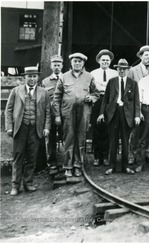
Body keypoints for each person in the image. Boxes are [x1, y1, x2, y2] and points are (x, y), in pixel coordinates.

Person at [5, 66, 51, 196]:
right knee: (18, 156)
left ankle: (28, 183)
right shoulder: (16, 91)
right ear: (25, 77)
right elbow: (8, 110)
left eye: (34, 76)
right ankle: (15, 185)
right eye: (29, 76)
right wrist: (9, 127)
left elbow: (48, 111)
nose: (32, 79)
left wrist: (47, 127)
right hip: (20, 128)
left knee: (32, 157)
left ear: (38, 77)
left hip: (35, 129)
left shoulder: (44, 92)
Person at [53, 52, 100, 177]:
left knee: (80, 138)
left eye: (80, 61)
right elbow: (57, 96)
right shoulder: (64, 77)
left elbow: (96, 93)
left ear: (83, 63)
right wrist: (57, 115)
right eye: (75, 61)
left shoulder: (89, 77)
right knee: (68, 138)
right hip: (67, 112)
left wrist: (92, 98)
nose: (77, 63)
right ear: (71, 63)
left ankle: (78, 165)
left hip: (84, 111)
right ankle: (68, 166)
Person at [98, 59, 140, 175]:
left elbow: (137, 101)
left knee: (126, 141)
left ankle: (125, 166)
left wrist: (137, 115)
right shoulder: (112, 82)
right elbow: (105, 99)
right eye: (120, 69)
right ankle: (112, 166)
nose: (122, 71)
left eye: (124, 69)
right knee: (113, 141)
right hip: (113, 113)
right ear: (117, 69)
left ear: (128, 70)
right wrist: (102, 113)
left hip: (127, 114)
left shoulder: (133, 83)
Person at [127, 45, 149, 165]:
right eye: (146, 55)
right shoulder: (133, 70)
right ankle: (132, 154)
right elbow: (128, 88)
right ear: (140, 56)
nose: (148, 57)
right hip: (136, 104)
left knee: (148, 130)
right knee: (135, 131)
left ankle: (146, 153)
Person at [90, 49, 118, 166]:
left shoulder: (114, 73)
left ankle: (106, 156)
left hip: (110, 101)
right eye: (103, 60)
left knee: (107, 128)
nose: (105, 62)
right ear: (99, 61)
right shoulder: (93, 73)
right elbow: (91, 89)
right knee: (97, 128)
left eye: (107, 60)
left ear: (110, 61)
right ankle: (97, 157)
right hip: (97, 100)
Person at [41, 55, 64, 166]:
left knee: (66, 136)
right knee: (50, 137)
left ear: (62, 66)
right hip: (50, 114)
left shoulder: (66, 79)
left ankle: (66, 161)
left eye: (58, 65)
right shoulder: (45, 82)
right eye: (54, 65)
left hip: (64, 113)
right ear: (51, 66)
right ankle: (52, 161)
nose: (56, 67)